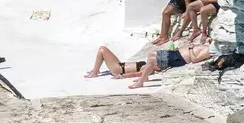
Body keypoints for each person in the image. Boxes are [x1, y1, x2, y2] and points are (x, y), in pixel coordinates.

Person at [85, 35, 214, 88]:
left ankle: (96, 71)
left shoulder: (151, 67)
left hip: (119, 69)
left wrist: (124, 76)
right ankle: (95, 71)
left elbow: (196, 59)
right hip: (176, 55)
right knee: (152, 54)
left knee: (102, 50)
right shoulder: (208, 46)